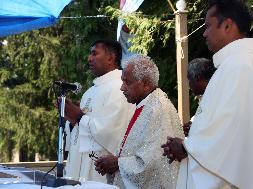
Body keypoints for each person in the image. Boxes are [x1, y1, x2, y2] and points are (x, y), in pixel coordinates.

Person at [162, 0, 253, 188]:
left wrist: (187, 147)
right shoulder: (233, 64)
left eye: (208, 26)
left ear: (227, 25)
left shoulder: (241, 65)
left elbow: (231, 127)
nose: (204, 33)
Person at [94, 54, 183, 189]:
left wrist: (117, 163)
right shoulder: (145, 105)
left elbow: (155, 162)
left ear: (146, 84)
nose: (122, 88)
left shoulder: (158, 109)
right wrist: (114, 163)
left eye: (127, 82)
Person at [62, 39, 135, 182]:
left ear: (110, 58)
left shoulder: (119, 87)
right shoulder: (90, 92)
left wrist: (79, 117)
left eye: (94, 54)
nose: (89, 59)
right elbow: (79, 133)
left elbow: (112, 132)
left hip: (99, 169)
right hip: (80, 166)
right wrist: (71, 120)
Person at [184, 58, 216, 136]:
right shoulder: (210, 94)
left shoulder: (214, 98)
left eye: (189, 79)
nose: (189, 86)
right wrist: (193, 126)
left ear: (197, 78)